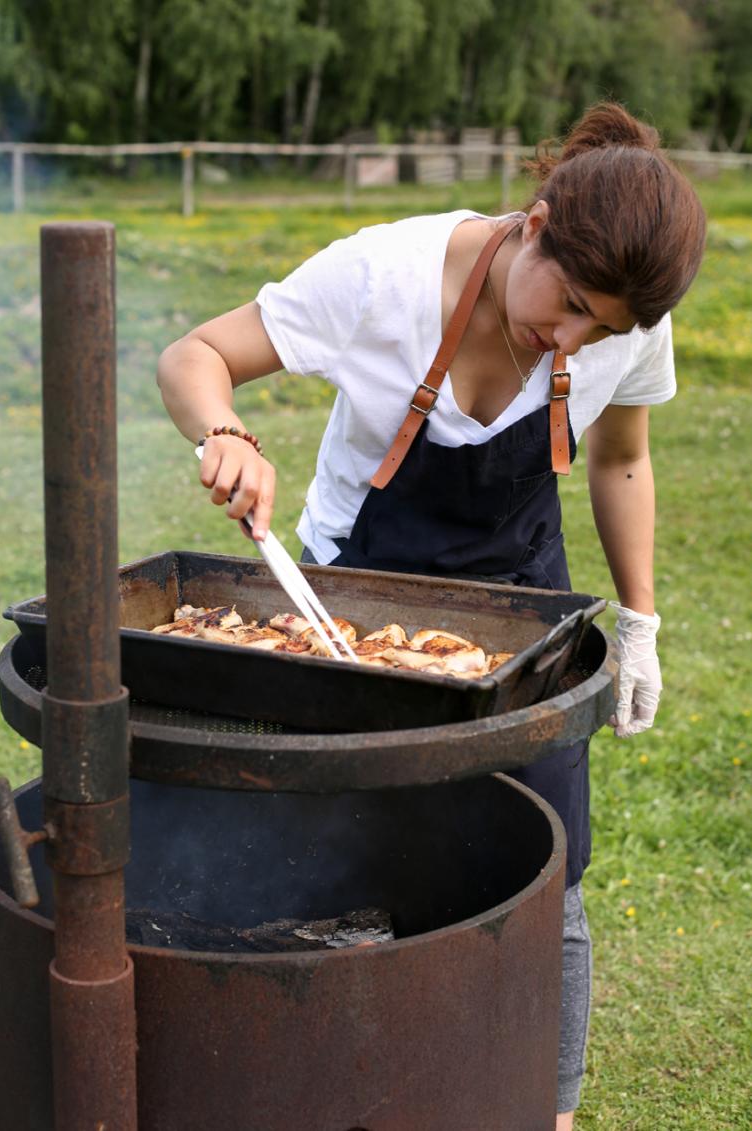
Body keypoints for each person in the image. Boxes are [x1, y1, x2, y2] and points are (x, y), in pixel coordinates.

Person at [157, 102, 706, 1128]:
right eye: (571, 302)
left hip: (521, 619)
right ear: (535, 222)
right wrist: (223, 432)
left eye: (604, 328)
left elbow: (624, 460)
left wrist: (639, 620)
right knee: (339, 855)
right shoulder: (384, 279)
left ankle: (546, 1111)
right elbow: (194, 355)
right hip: (348, 608)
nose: (573, 338)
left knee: (551, 872)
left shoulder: (629, 324)